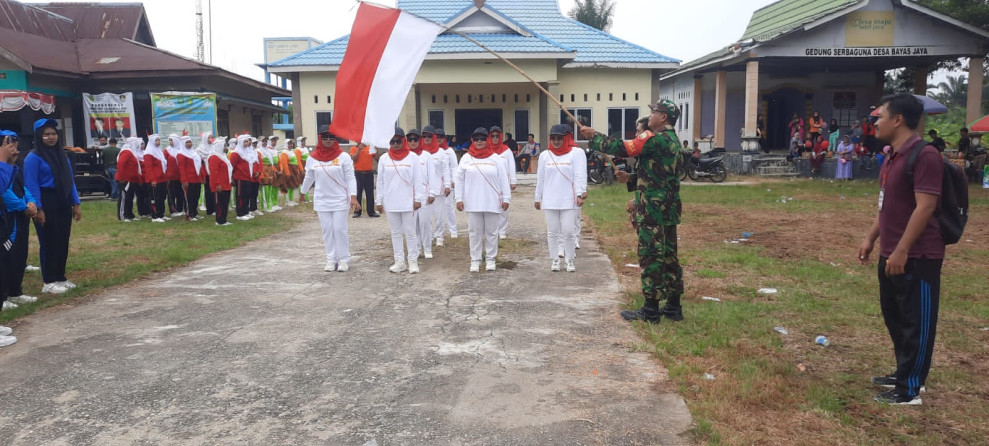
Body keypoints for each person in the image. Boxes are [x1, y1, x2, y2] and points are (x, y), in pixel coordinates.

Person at [858, 93, 945, 406]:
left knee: (916, 322)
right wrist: (871, 238)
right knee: (895, 317)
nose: (875, 122)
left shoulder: (925, 156)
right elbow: (887, 206)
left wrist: (903, 250)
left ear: (898, 120)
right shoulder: (893, 156)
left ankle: (910, 390)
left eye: (880, 117)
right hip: (890, 251)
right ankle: (903, 372)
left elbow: (925, 207)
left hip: (917, 256)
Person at [580, 99, 684, 323]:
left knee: (651, 256)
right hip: (668, 207)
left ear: (663, 117)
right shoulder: (674, 141)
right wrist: (632, 179)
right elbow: (662, 176)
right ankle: (674, 307)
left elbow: (623, 148)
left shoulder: (655, 139)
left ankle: (651, 310)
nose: (651, 115)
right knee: (668, 257)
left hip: (653, 210)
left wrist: (594, 136)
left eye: (654, 112)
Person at [23, 119, 82, 295]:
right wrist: (38, 209)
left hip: (62, 200)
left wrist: (75, 203)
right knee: (48, 241)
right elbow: (31, 184)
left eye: (53, 134)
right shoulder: (33, 157)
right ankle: (48, 281)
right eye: (46, 134)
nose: (50, 138)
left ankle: (60, 276)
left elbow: (69, 181)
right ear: (39, 136)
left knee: (62, 239)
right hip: (45, 201)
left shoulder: (62, 155)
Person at [301, 127, 359, 272]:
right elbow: (309, 177)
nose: (328, 140)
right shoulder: (312, 157)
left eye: (331, 137)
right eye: (325, 137)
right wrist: (303, 192)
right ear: (320, 138)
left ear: (335, 139)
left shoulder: (343, 156)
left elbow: (351, 178)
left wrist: (353, 197)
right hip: (322, 200)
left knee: (339, 229)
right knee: (327, 230)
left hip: (340, 199)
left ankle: (344, 259)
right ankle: (331, 259)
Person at [456, 127, 511, 272]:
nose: (479, 141)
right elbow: (459, 179)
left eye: (482, 139)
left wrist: (506, 198)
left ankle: (491, 259)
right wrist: (458, 198)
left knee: (492, 232)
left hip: (492, 202)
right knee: (474, 232)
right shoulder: (466, 158)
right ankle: (475, 260)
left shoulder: (495, 158)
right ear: (472, 140)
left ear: (487, 140)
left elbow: (503, 180)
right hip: (472, 202)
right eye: (476, 139)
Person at [535, 124, 587, 272]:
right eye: (554, 138)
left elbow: (579, 175)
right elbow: (541, 178)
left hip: (568, 200)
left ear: (565, 139)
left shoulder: (574, 154)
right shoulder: (545, 155)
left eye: (559, 138)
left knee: (568, 232)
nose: (556, 141)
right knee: (552, 232)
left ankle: (570, 260)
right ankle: (555, 260)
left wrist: (580, 194)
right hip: (550, 200)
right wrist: (537, 198)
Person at [376, 127, 425, 274]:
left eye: (398, 141)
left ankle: (412, 261)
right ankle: (399, 261)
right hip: (391, 202)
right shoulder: (384, 158)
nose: (395, 144)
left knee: (410, 232)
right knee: (395, 233)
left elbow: (418, 180)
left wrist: (418, 199)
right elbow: (380, 181)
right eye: (392, 141)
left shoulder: (413, 157)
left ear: (403, 141)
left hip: (408, 202)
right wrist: (379, 200)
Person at [1, 133, 39, 309]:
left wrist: (31, 203)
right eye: (9, 145)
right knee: (6, 257)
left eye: (15, 145)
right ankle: (5, 295)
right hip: (9, 214)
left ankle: (15, 291)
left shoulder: (11, 166)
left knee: (18, 255)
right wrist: (23, 206)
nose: (14, 149)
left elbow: (22, 186)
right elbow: (4, 190)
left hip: (19, 215)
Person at [421, 126, 451, 250]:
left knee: (438, 215)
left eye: (429, 136)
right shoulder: (420, 152)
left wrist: (448, 185)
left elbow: (446, 169)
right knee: (425, 217)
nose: (427, 139)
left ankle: (439, 237)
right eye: (425, 136)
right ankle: (428, 237)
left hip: (438, 189)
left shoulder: (441, 152)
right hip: (423, 190)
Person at [489, 126, 517, 239]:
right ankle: (492, 229)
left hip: (503, 182)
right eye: (493, 136)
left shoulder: (506, 150)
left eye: (497, 136)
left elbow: (512, 166)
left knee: (504, 206)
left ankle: (502, 231)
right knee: (491, 205)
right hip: (490, 182)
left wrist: (513, 181)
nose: (495, 138)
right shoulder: (487, 149)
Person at [229, 134, 261, 221]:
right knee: (240, 195)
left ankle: (246, 211)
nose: (247, 143)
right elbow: (232, 166)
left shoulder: (246, 152)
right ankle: (240, 213)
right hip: (240, 178)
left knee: (247, 195)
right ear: (240, 142)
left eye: (247, 141)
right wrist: (232, 178)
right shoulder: (236, 153)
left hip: (247, 177)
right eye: (245, 142)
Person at [177, 135, 206, 221]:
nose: (189, 144)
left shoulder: (194, 153)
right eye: (187, 142)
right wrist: (184, 180)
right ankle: (189, 215)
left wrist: (202, 177)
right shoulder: (181, 154)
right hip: (188, 180)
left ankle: (194, 213)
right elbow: (181, 168)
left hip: (196, 179)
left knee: (196, 196)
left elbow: (200, 166)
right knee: (189, 197)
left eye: (190, 142)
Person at [437, 128, 459, 240]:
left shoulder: (449, 151)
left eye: (441, 137)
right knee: (436, 209)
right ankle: (437, 232)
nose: (439, 139)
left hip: (448, 183)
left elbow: (454, 167)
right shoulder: (431, 152)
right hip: (435, 184)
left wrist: (453, 180)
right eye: (437, 137)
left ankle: (453, 230)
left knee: (448, 206)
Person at [142, 134, 170, 223]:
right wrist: (152, 179)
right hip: (154, 179)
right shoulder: (148, 153)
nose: (158, 142)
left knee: (162, 197)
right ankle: (155, 216)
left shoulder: (159, 151)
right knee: (155, 197)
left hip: (162, 178)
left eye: (159, 140)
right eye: (156, 140)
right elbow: (149, 168)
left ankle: (161, 214)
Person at [207, 137, 234, 226]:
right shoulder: (213, 157)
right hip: (219, 184)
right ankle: (219, 220)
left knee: (225, 202)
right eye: (224, 146)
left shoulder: (223, 156)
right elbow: (214, 172)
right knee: (220, 203)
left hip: (226, 183)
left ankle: (224, 219)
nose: (225, 147)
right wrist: (217, 184)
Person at [350, 143, 378, 218]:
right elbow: (354, 159)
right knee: (358, 193)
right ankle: (357, 211)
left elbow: (376, 158)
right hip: (358, 173)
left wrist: (375, 150)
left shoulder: (369, 148)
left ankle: (371, 211)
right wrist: (358, 150)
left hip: (369, 173)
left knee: (370, 193)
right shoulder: (353, 148)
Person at [164, 135, 185, 217]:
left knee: (180, 194)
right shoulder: (166, 151)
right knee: (171, 194)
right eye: (169, 140)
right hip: (170, 177)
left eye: (171, 140)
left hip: (180, 177)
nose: (170, 142)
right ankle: (173, 210)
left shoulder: (181, 150)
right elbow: (164, 164)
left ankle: (180, 209)